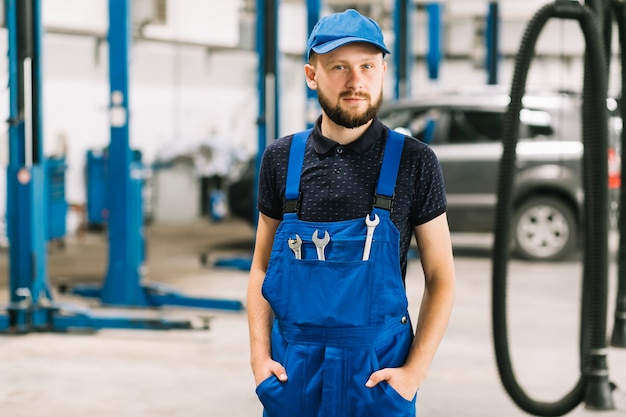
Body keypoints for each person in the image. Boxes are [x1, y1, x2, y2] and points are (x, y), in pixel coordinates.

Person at [247, 8, 455, 417]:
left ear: (383, 71)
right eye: (339, 66)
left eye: (367, 66)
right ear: (312, 75)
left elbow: (442, 277)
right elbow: (259, 269)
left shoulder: (414, 161)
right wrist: (259, 359)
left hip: (378, 374)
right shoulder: (280, 159)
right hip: (294, 372)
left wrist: (413, 373)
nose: (355, 81)